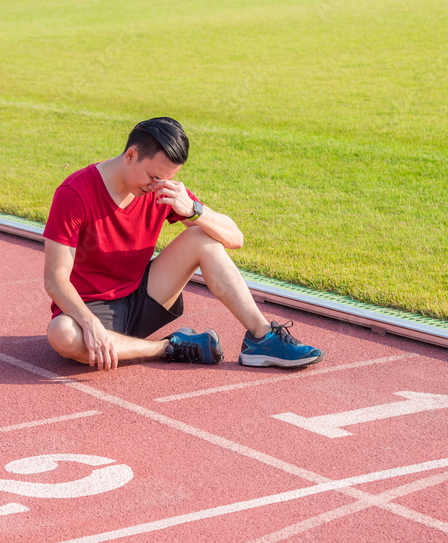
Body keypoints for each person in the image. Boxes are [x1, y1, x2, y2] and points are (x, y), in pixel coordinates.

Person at [43, 116, 324, 371]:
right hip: (91, 308)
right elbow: (55, 280)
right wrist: (90, 323)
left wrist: (193, 209)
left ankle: (262, 337)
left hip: (142, 299)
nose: (157, 186)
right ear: (131, 155)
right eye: (153, 177)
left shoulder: (161, 190)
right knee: (62, 334)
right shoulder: (74, 193)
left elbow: (234, 239)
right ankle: (170, 347)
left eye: (166, 179)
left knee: (202, 237)